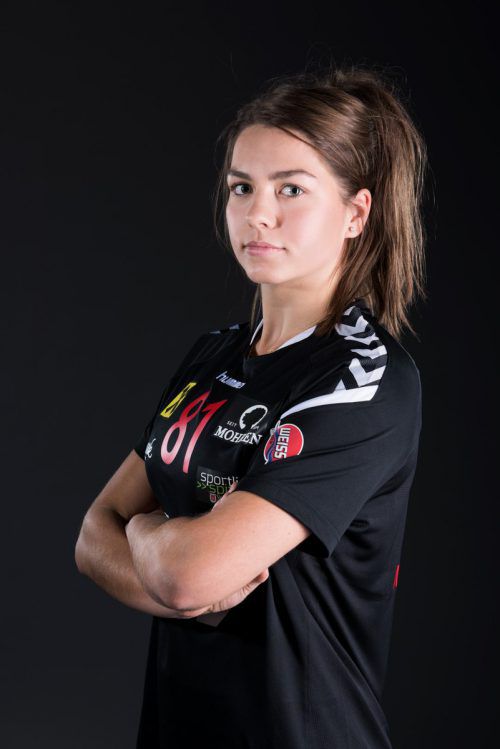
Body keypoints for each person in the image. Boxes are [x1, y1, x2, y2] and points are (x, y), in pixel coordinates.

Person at [75, 62, 428, 748]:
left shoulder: (364, 381)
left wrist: (147, 536)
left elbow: (186, 574)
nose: (258, 213)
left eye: (291, 188)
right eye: (243, 187)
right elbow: (92, 536)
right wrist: (171, 569)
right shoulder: (213, 354)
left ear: (356, 213)